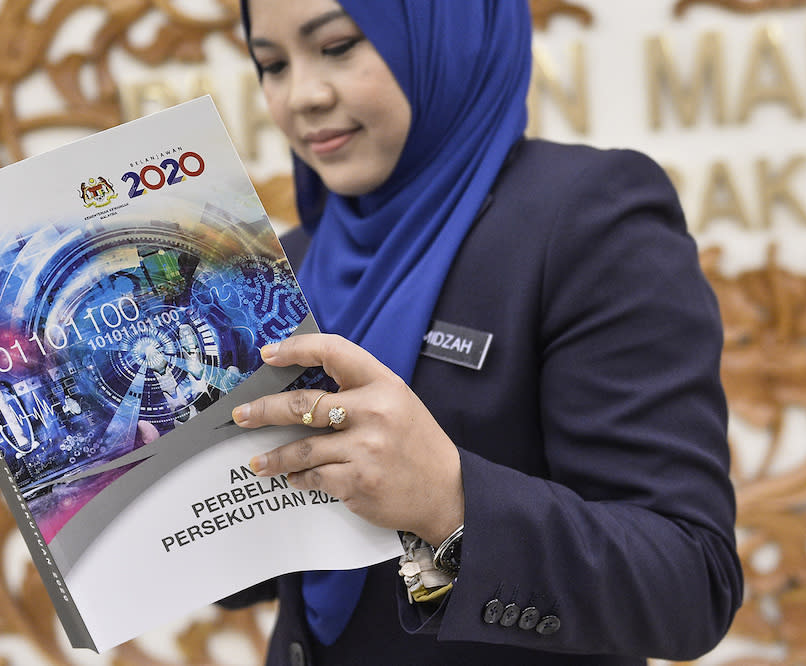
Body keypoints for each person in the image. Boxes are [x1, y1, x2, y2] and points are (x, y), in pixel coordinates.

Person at [222, 1, 744, 664]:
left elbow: (692, 585)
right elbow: (285, 564)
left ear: (447, 33)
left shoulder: (587, 219)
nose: (302, 96)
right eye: (271, 64)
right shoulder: (287, 264)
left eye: (340, 45)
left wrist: (450, 503)